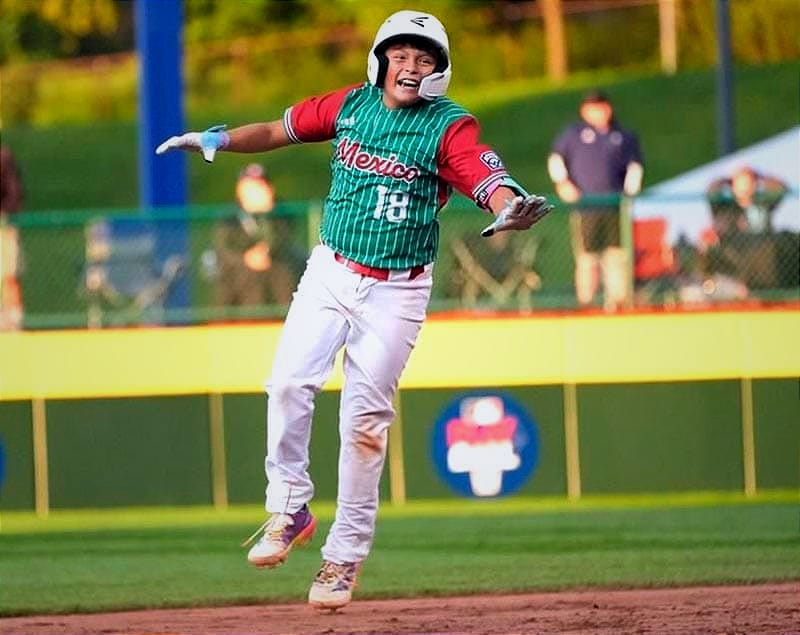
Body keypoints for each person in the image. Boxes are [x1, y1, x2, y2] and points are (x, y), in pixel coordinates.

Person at [156, 9, 552, 610]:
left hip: (398, 289)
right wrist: (219, 139)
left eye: (424, 60)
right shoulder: (350, 105)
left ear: (439, 72)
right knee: (288, 382)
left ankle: (343, 556)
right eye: (401, 55)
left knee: (364, 421)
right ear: (381, 57)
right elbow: (277, 129)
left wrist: (509, 201)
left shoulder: (449, 126)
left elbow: (485, 173)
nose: (410, 67)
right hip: (332, 270)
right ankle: (289, 508)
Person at [547, 90, 644, 311]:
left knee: (616, 254)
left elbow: (634, 166)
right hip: (586, 206)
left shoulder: (623, 136)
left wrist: (629, 193)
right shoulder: (574, 134)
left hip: (614, 205)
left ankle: (617, 301)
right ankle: (587, 300)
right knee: (588, 256)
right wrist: (563, 184)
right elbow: (556, 158)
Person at [210, 163, 300, 310]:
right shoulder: (229, 217)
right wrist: (247, 259)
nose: (255, 192)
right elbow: (223, 248)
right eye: (250, 187)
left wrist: (266, 216)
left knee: (281, 270)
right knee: (244, 276)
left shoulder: (280, 213)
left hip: (273, 270)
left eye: (260, 186)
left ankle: (284, 317)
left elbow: (283, 241)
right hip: (238, 274)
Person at [702, 165, 789, 290]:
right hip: (736, 262)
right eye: (740, 183)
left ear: (754, 184)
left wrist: (760, 176)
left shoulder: (763, 203)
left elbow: (781, 188)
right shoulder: (725, 207)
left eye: (748, 182)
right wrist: (727, 180)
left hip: (763, 261)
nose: (744, 187)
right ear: (733, 186)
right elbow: (711, 191)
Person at [0, 143, 24, 330]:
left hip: (4, 224)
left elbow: (14, 194)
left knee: (8, 274)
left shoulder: (4, 156)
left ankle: (12, 324)